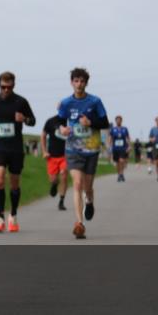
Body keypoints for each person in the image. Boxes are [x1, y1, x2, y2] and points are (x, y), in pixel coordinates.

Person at [56, 68, 109, 239]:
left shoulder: (95, 101)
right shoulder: (66, 103)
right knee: (77, 184)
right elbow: (59, 121)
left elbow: (105, 122)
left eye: (82, 81)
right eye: (76, 81)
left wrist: (90, 122)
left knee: (88, 186)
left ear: (86, 83)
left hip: (91, 150)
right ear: (71, 82)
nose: (79, 84)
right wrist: (62, 128)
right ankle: (79, 223)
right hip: (73, 149)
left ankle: (90, 202)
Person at [0, 72, 36, 233]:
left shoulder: (21, 102)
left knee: (14, 183)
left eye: (9, 87)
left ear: (14, 85)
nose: (6, 89)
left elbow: (33, 121)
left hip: (15, 149)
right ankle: (0, 217)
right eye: (3, 86)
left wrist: (24, 119)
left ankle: (13, 215)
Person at [41, 111, 69, 210]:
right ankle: (54, 184)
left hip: (65, 156)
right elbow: (43, 135)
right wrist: (44, 151)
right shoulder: (51, 121)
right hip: (52, 156)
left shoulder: (70, 121)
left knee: (64, 174)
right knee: (53, 179)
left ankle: (61, 201)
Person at [108, 116, 131, 182]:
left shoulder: (124, 129)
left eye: (119, 120)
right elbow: (110, 138)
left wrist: (129, 146)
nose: (118, 121)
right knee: (117, 163)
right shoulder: (113, 129)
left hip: (123, 148)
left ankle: (122, 174)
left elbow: (127, 138)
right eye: (117, 120)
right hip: (115, 148)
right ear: (116, 121)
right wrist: (109, 146)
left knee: (122, 161)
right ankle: (119, 175)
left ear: (121, 121)